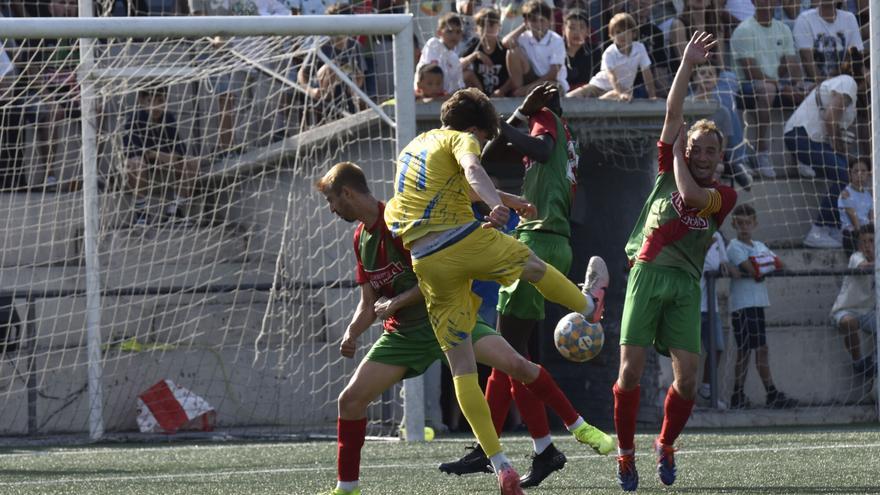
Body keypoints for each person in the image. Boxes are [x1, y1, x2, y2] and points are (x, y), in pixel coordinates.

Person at [316, 161, 612, 495]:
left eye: (331, 200)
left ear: (347, 193)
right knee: (350, 401)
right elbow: (368, 302)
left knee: (518, 365)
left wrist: (397, 302)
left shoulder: (399, 221)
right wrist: (352, 332)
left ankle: (579, 427)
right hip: (405, 335)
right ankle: (347, 488)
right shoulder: (361, 238)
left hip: (449, 315)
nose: (331, 209)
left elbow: (435, 275)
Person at [383, 87, 613, 494]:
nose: (481, 142)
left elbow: (461, 186)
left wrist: (508, 199)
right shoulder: (463, 138)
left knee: (463, 366)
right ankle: (587, 304)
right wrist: (497, 205)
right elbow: (474, 172)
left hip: (427, 261)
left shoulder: (415, 147)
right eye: (485, 136)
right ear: (475, 129)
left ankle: (499, 463)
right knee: (533, 267)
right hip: (462, 240)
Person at [439, 82, 584, 488]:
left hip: (538, 239)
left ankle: (538, 447)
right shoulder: (555, 134)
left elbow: (535, 149)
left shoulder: (546, 121)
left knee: (511, 357)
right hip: (550, 239)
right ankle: (501, 448)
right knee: (511, 356)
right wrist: (513, 118)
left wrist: (508, 119)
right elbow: (489, 158)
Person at [614, 31, 737, 492]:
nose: (702, 156)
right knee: (630, 372)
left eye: (710, 151)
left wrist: (680, 153)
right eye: (696, 149)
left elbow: (689, 194)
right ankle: (626, 454)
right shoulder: (670, 165)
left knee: (688, 381)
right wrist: (686, 64)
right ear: (687, 151)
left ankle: (665, 443)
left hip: (686, 284)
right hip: (647, 273)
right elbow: (672, 112)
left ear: (720, 158)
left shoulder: (724, 195)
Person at [726, 204, 797, 410]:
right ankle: (747, 395)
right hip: (742, 305)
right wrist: (763, 265)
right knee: (746, 350)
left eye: (747, 223)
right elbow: (753, 270)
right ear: (734, 224)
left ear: (754, 224)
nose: (744, 227)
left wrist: (763, 265)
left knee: (758, 349)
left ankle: (760, 394)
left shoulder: (759, 245)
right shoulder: (734, 247)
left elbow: (779, 264)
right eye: (740, 223)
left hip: (757, 304)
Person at [730, 0, 810, 179]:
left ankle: (803, 155)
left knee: (810, 90)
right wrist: (781, 86)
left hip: (775, 84)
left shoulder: (783, 29)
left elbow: (791, 63)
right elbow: (751, 72)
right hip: (747, 86)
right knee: (767, 90)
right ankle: (761, 153)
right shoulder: (744, 30)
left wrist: (798, 85)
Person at [783, 71, 859, 249]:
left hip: (811, 139)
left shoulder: (851, 91)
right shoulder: (849, 81)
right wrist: (839, 147)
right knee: (844, 175)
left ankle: (834, 228)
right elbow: (830, 119)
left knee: (846, 172)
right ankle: (818, 230)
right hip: (802, 136)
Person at [123, 87, 200, 226]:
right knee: (136, 163)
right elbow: (134, 151)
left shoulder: (168, 118)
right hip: (140, 168)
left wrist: (169, 156)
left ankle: (175, 211)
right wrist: (159, 155)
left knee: (192, 162)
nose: (155, 106)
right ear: (141, 101)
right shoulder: (134, 120)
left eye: (160, 101)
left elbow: (180, 149)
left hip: (163, 165)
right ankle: (141, 212)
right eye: (150, 101)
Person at [698, 165, 740, 409]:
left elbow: (724, 264)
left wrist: (731, 269)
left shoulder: (717, 234)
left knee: (717, 348)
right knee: (686, 353)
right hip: (690, 304)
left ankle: (707, 389)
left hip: (710, 305)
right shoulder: (690, 226)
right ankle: (680, 397)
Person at [567, 12, 655, 101]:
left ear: (634, 34)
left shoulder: (639, 48)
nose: (622, 35)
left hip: (619, 91)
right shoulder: (609, 52)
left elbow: (647, 73)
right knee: (569, 98)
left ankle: (596, 103)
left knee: (613, 97)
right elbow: (611, 76)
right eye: (618, 32)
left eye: (626, 31)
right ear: (612, 36)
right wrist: (620, 93)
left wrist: (652, 96)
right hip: (597, 86)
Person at [830, 223, 876, 378]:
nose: (867, 245)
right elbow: (864, 268)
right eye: (863, 242)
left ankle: (875, 359)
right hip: (846, 310)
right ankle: (858, 363)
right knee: (849, 322)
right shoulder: (856, 257)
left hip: (868, 312)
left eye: (871, 241)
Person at [503, 0, 569, 97]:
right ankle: (518, 91)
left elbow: (553, 73)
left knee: (553, 88)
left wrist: (528, 89)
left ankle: (522, 93)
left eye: (542, 20)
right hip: (530, 79)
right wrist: (524, 26)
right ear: (526, 22)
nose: (538, 25)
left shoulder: (556, 40)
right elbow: (506, 42)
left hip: (551, 81)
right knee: (512, 52)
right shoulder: (524, 37)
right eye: (533, 20)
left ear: (549, 21)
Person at [792, 0, 863, 84]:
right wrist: (825, 86)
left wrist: (838, 83)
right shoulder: (804, 19)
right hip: (812, 84)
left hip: (842, 82)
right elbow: (807, 60)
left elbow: (853, 56)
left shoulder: (849, 18)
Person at [461, 7, 514, 97]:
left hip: (501, 94)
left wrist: (502, 90)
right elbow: (457, 68)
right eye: (482, 25)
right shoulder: (474, 47)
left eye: (491, 25)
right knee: (466, 74)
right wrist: (475, 55)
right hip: (479, 94)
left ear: (499, 27)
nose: (486, 29)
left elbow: (515, 75)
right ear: (476, 29)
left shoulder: (504, 48)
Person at [414, 12, 466, 97]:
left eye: (458, 32)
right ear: (439, 32)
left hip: (443, 99)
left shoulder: (455, 58)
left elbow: (459, 86)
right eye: (449, 31)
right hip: (424, 97)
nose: (454, 35)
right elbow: (430, 74)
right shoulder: (433, 45)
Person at [838, 158, 872, 255]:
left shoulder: (868, 195)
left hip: (867, 233)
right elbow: (855, 221)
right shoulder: (846, 194)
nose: (859, 174)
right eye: (856, 171)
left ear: (868, 174)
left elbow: (872, 218)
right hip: (853, 235)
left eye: (863, 171)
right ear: (850, 174)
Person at [563, 8, 601, 93]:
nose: (576, 32)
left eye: (581, 27)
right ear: (563, 30)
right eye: (572, 27)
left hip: (587, 95)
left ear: (588, 31)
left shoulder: (595, 52)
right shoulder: (556, 50)